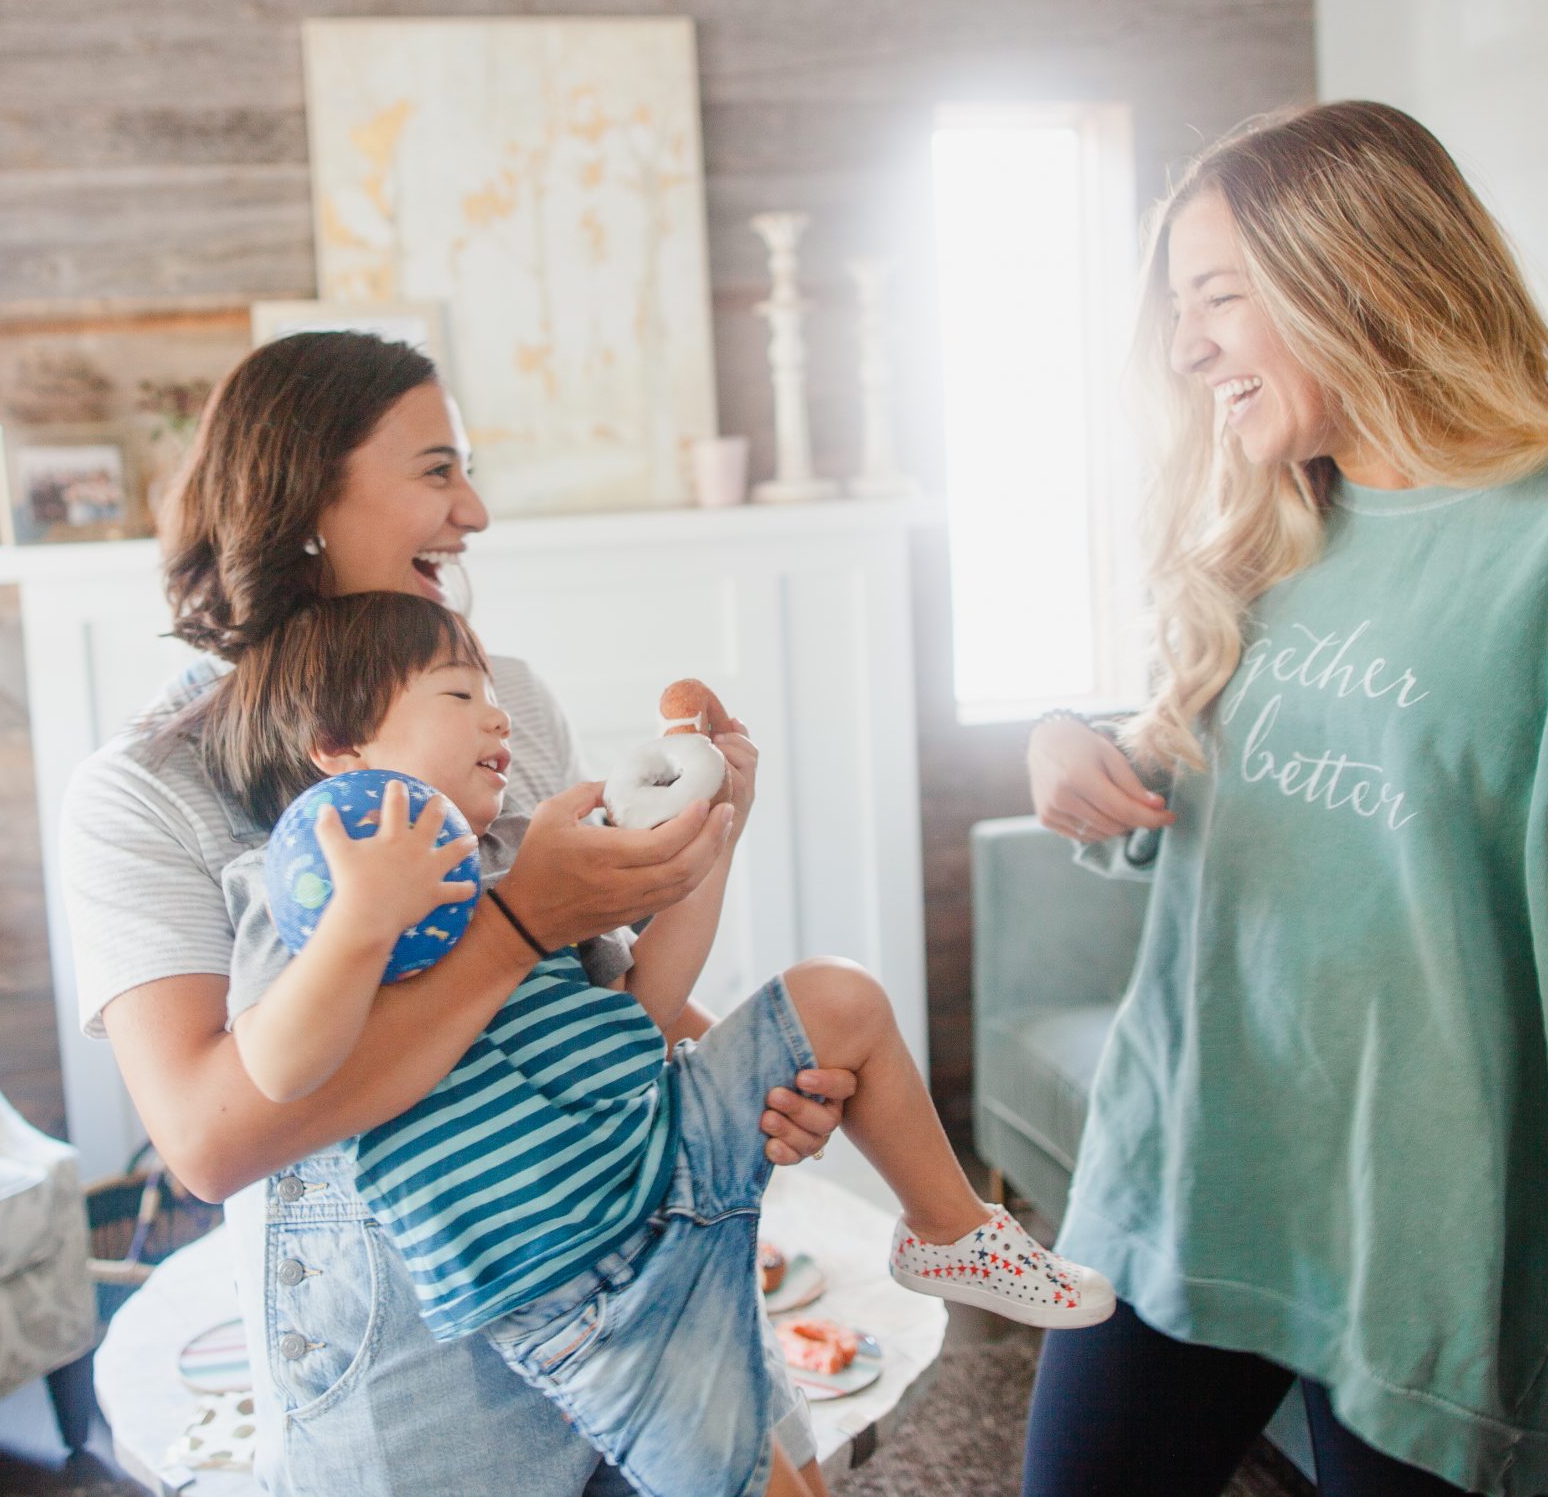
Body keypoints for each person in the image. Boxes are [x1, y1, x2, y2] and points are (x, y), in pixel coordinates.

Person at [1018, 101, 1548, 1497]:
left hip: (1427, 1250)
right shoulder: (1275, 521)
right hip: (1180, 1175)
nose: (1188, 346)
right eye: (1178, 309)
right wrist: (1077, 750)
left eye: (1218, 297)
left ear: (1355, 269)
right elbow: (1239, 819)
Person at [59, 332, 859, 1497]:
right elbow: (208, 1143)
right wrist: (520, 919)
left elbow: (586, 1000)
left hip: (649, 1283)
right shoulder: (144, 789)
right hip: (416, 1393)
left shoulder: (508, 703)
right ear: (302, 503)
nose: (473, 511)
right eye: (437, 471)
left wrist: (746, 1073)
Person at [201, 592, 1110, 1497]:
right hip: (589, 1301)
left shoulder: (512, 862)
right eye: (457, 695)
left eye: (490, 692)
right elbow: (281, 1071)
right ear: (340, 746)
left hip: (672, 1158)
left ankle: (950, 1233)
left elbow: (648, 1004)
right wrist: (360, 921)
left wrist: (712, 831)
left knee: (840, 993)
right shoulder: (300, 893)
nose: (498, 712)